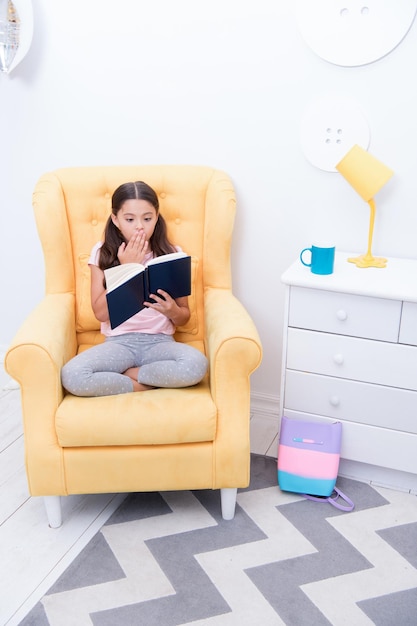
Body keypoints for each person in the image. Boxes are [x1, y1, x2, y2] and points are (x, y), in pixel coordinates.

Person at [61, 181, 208, 397]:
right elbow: (101, 313)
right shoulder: (102, 253)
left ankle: (131, 374)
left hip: (160, 342)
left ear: (157, 217)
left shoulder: (171, 254)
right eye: (130, 219)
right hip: (119, 344)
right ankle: (148, 383)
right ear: (115, 219)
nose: (139, 226)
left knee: (196, 365)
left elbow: (183, 317)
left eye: (147, 218)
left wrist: (172, 311)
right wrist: (127, 267)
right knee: (72, 375)